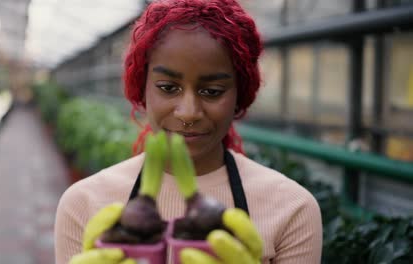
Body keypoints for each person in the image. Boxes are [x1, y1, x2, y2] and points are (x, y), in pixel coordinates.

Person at [54, 0, 323, 263]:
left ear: (240, 95)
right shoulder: (83, 204)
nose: (188, 112)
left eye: (212, 91)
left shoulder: (292, 210)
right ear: (142, 89)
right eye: (168, 87)